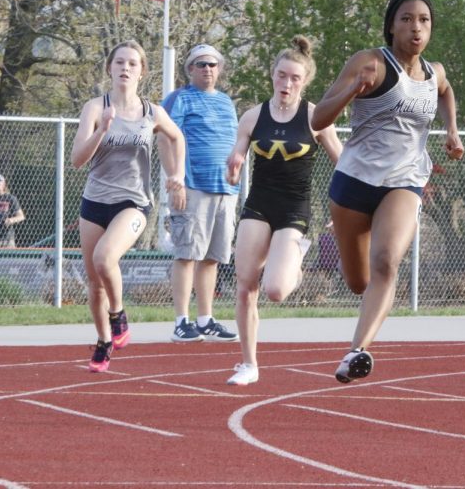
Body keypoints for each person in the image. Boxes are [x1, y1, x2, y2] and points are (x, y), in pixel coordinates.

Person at [312, 0, 465, 383]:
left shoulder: (435, 73)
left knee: (386, 262)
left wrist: (451, 130)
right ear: (392, 25)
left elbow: (445, 93)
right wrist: (352, 90)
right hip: (354, 182)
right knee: (358, 279)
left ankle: (356, 351)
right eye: (407, 19)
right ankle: (358, 317)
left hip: (406, 180)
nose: (416, 27)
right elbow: (319, 120)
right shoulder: (370, 63)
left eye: (424, 20)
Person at [224, 36, 343, 386]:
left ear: (304, 81)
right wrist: (233, 164)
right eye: (281, 76)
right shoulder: (252, 116)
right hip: (258, 204)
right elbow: (237, 156)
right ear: (272, 76)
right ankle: (249, 364)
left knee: (276, 290)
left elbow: (344, 163)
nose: (286, 84)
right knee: (245, 285)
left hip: (294, 207)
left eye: (294, 78)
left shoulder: (315, 117)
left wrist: (345, 207)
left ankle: (293, 262)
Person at [71, 40, 186, 372]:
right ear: (110, 68)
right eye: (119, 62)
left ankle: (119, 314)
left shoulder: (153, 112)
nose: (125, 68)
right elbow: (78, 159)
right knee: (94, 283)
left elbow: (176, 137)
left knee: (105, 257)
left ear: (142, 71)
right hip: (95, 200)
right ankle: (104, 341)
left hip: (133, 202)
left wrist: (176, 174)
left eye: (132, 63)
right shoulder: (96, 108)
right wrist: (102, 129)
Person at [162, 44, 240, 343]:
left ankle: (205, 319)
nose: (208, 69)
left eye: (212, 64)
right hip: (193, 187)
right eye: (201, 64)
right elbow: (167, 140)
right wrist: (176, 180)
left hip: (225, 189)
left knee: (212, 257)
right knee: (187, 254)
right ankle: (182, 321)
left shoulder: (226, 103)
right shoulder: (179, 99)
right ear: (190, 69)